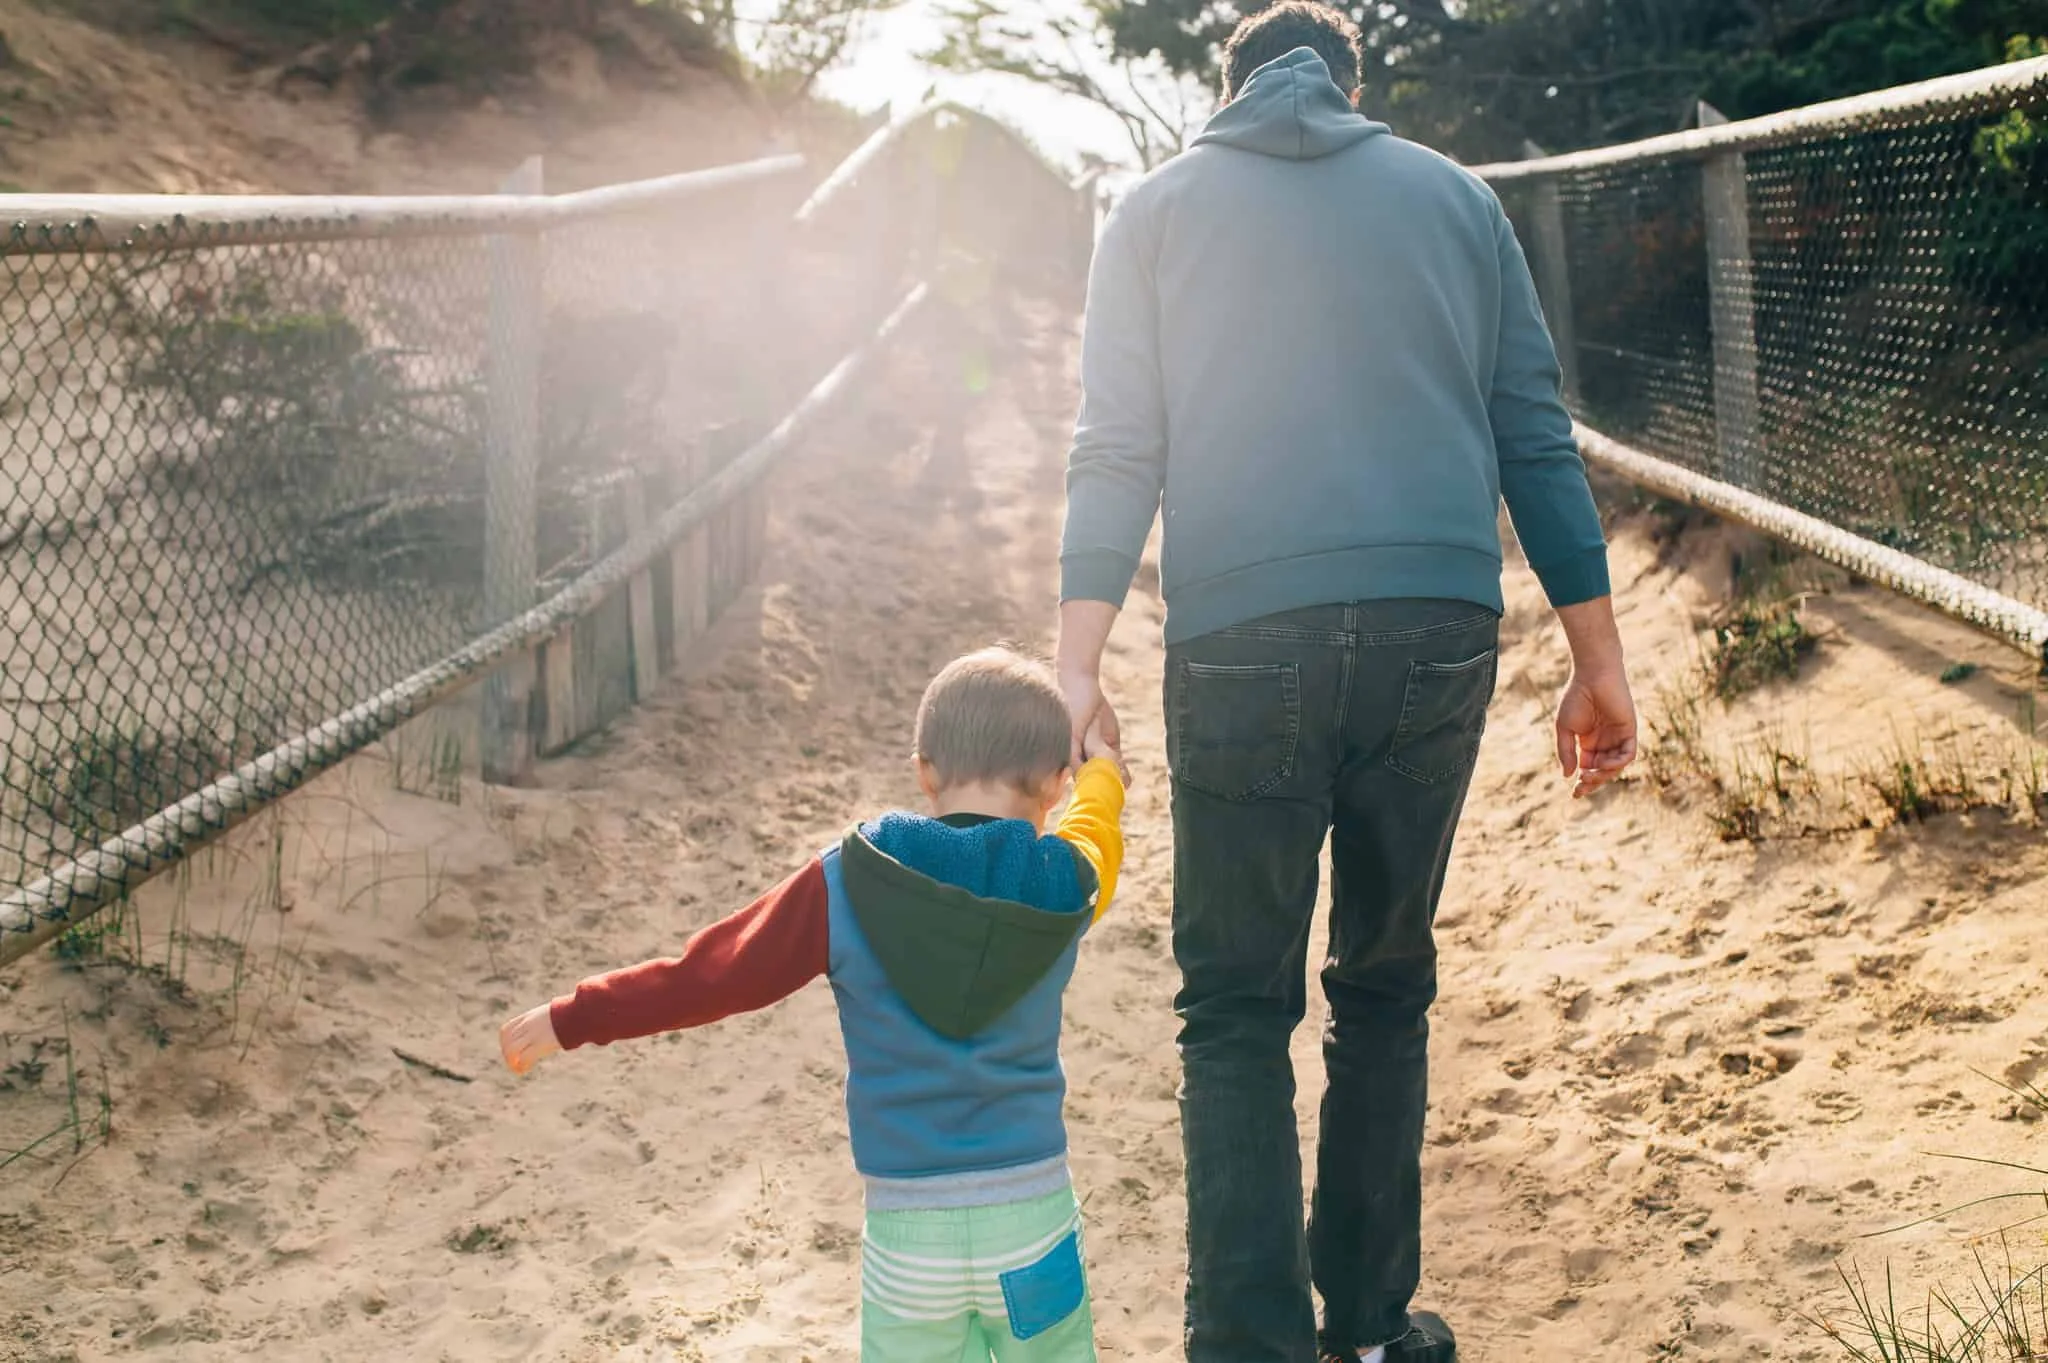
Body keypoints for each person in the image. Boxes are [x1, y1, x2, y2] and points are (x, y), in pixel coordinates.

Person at [1051, 5, 1640, 1362]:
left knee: (1236, 999)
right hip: (1437, 623)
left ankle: (1248, 1339)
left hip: (1241, 633)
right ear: (1355, 87)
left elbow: (1114, 446)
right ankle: (1369, 1328)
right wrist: (1597, 663)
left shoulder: (1152, 215)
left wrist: (1075, 666)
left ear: (1227, 90)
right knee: (1385, 979)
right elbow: (1534, 437)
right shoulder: (1456, 200)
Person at [499, 647, 1127, 1363]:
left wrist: (574, 1015)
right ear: (1053, 784)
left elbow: (711, 975)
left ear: (923, 769)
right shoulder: (1066, 885)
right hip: (1031, 1219)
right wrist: (1101, 767)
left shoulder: (850, 881)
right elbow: (1096, 828)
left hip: (908, 1236)